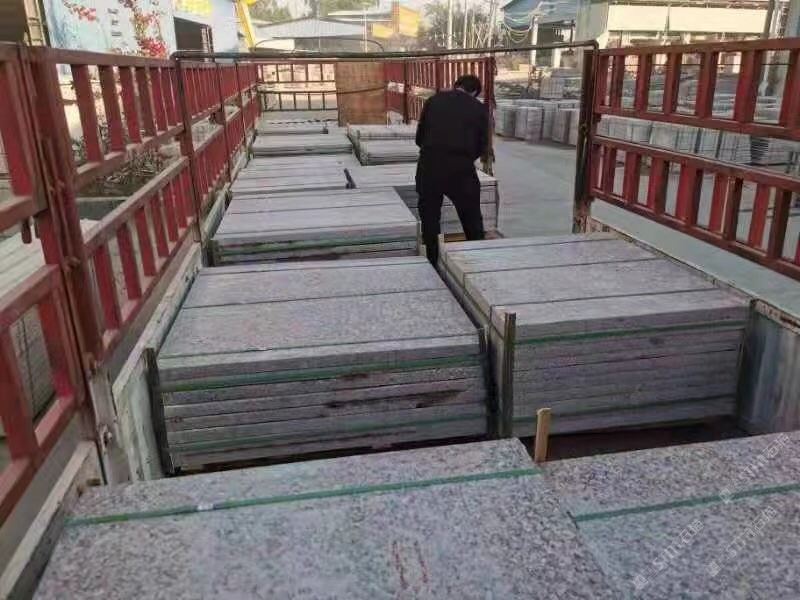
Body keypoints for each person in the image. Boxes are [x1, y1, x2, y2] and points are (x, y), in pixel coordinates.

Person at [415, 74, 489, 266]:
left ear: (456, 85)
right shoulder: (478, 108)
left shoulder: (433, 101)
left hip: (429, 167)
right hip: (460, 170)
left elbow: (419, 138)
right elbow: (482, 145)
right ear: (475, 92)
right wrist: (463, 158)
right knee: (471, 218)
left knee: (430, 219)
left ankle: (432, 262)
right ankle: (478, 260)